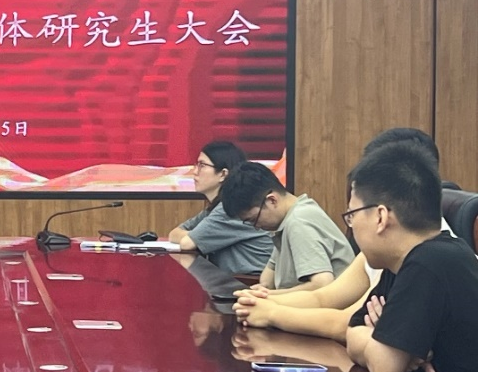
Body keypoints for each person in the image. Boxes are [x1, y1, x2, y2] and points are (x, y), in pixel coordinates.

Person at [232, 128, 460, 341]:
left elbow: (348, 322)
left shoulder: (424, 258)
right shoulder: (385, 250)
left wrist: (272, 314)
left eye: (353, 213)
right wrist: (262, 302)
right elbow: (324, 297)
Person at [344, 141, 478, 372]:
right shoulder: (401, 263)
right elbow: (352, 332)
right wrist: (383, 342)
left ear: (380, 216)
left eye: (352, 215)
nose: (351, 225)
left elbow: (384, 368)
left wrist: (387, 346)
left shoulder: (430, 262)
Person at [220, 161, 354, 291]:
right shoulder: (287, 219)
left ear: (272, 200)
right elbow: (267, 279)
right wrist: (261, 291)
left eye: (254, 220)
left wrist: (270, 296)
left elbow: (322, 284)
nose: (257, 227)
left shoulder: (299, 221)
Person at [167, 141, 272, 275]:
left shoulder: (231, 208)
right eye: (196, 165)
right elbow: (174, 234)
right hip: (235, 279)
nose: (195, 172)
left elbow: (186, 243)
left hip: (250, 281)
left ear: (223, 174)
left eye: (202, 165)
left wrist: (199, 236)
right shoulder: (216, 207)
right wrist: (200, 235)